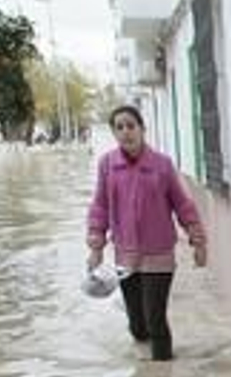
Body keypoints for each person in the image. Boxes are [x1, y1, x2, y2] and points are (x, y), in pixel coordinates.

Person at [86, 105, 208, 361]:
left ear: (142, 129)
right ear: (114, 133)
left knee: (155, 319)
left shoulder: (162, 165)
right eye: (119, 127)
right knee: (137, 325)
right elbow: (100, 206)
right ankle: (144, 375)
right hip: (125, 257)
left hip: (159, 255)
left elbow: (182, 204)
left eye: (131, 126)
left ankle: (164, 376)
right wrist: (96, 247)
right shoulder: (107, 165)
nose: (126, 132)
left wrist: (198, 241)